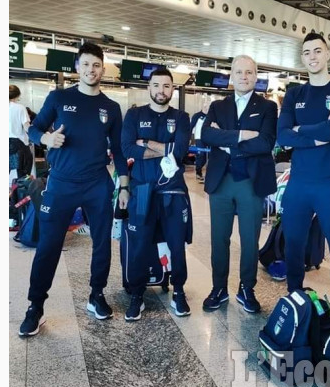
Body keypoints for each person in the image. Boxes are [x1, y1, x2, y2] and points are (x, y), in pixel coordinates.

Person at [18, 42, 130, 337]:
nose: (91, 70)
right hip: (62, 184)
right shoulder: (58, 98)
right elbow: (34, 128)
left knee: (102, 243)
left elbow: (118, 149)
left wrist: (124, 184)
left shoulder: (111, 107)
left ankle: (97, 295)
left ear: (103, 69)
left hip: (97, 185)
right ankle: (35, 307)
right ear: (76, 67)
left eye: (96, 65)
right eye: (86, 64)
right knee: (49, 246)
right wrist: (45, 138)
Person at [276, 33, 330, 314]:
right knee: (293, 243)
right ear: (302, 57)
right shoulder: (295, 93)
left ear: (327, 55)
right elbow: (283, 136)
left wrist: (302, 131)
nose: (312, 56)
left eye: (317, 51)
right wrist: (320, 132)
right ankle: (295, 295)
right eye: (307, 52)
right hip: (299, 182)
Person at [200, 55, 278, 313]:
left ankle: (247, 288)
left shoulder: (267, 107)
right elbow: (207, 135)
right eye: (239, 72)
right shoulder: (217, 106)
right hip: (221, 181)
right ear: (231, 75)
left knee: (249, 240)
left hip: (250, 182)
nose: (244, 76)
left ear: (256, 76)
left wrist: (227, 141)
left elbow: (265, 143)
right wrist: (243, 136)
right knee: (219, 238)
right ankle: (218, 288)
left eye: (249, 72)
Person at [120, 68, 193, 319]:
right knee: (139, 245)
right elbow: (128, 147)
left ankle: (179, 291)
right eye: (156, 85)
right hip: (141, 191)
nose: (161, 90)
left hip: (173, 192)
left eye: (166, 86)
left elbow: (181, 151)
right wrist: (165, 149)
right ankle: (137, 294)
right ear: (148, 88)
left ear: (173, 89)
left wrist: (145, 143)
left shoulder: (182, 117)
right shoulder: (134, 114)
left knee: (177, 245)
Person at [9, 85, 34, 178]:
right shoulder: (20, 108)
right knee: (24, 174)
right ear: (17, 96)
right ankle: (22, 191)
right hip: (19, 143)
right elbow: (27, 127)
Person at [190, 100, 210, 182]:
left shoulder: (211, 116)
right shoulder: (197, 116)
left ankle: (207, 173)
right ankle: (198, 172)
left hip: (209, 139)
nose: (207, 108)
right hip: (199, 138)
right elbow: (191, 127)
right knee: (200, 155)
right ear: (202, 107)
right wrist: (189, 139)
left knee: (207, 156)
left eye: (208, 107)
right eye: (205, 106)